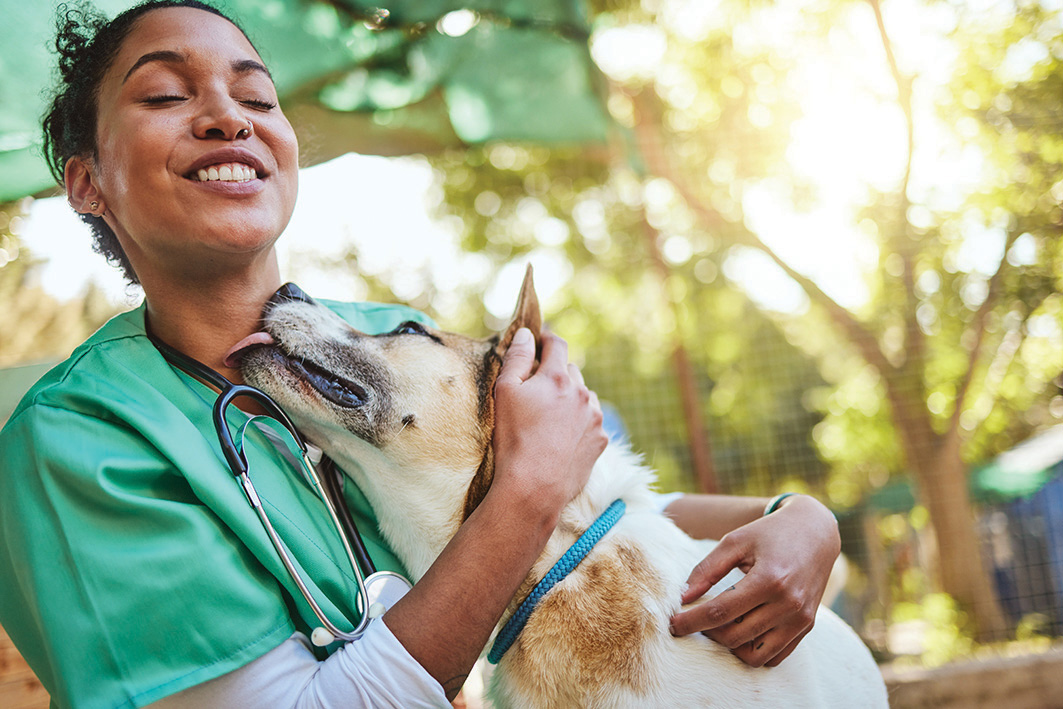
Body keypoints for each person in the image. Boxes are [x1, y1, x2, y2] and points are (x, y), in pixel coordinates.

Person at [0, 2, 842, 707]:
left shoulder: (385, 338)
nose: (229, 117)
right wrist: (527, 490)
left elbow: (583, 523)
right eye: (163, 94)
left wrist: (792, 518)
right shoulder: (78, 441)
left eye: (257, 98)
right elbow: (530, 499)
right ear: (86, 181)